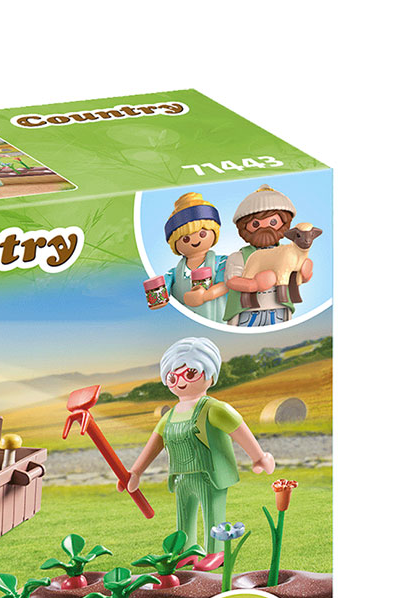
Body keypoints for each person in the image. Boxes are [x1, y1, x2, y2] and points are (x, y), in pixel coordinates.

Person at [125, 338, 275, 562]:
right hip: (181, 476)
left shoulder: (214, 409)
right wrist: (136, 472)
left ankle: (216, 552)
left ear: (210, 374)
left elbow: (239, 430)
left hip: (210, 475)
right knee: (184, 516)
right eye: (173, 377)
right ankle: (186, 551)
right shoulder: (170, 416)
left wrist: (259, 457)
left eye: (190, 373)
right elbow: (154, 444)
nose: (181, 382)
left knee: (213, 513)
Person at [221, 185, 306, 327]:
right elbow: (231, 281)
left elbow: (293, 278)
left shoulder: (287, 253)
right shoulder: (239, 257)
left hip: (279, 311)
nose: (264, 228)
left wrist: (303, 274)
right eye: (256, 224)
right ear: (244, 227)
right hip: (248, 314)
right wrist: (254, 284)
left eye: (273, 222)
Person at [158, 193, 228, 322]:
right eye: (186, 239)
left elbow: (227, 284)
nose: (195, 241)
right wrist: (159, 299)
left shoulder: (221, 262)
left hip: (216, 320)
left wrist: (206, 295)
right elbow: (162, 290)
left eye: (202, 234)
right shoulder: (174, 273)